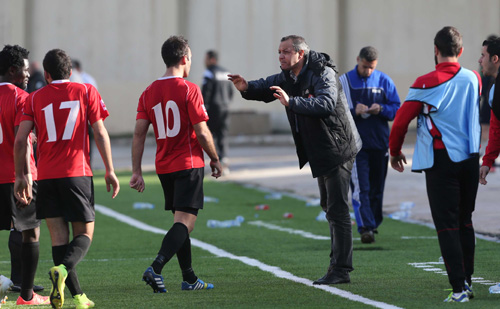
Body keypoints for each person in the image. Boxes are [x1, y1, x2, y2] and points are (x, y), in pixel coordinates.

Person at [228, 35, 360, 285]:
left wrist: (292, 102)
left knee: (337, 209)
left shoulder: (322, 72)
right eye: (279, 51)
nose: (281, 56)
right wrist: (246, 88)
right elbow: (268, 85)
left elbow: (326, 103)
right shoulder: (289, 75)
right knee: (328, 207)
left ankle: (341, 270)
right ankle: (337, 264)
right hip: (321, 150)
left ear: (300, 53)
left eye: (286, 52)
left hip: (338, 147)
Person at [13, 48, 120, 309]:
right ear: (70, 72)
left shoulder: (34, 98)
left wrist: (22, 175)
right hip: (77, 173)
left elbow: (20, 141)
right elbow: (100, 133)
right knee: (84, 234)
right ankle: (63, 270)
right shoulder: (85, 91)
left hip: (46, 177)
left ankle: (78, 297)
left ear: (47, 75)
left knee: (59, 238)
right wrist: (110, 169)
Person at [389, 26, 481, 303]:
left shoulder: (426, 81)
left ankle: (458, 289)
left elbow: (401, 122)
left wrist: (394, 152)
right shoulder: (473, 78)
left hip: (442, 161)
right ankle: (467, 280)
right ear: (461, 51)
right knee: (465, 221)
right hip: (471, 158)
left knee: (447, 225)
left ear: (435, 51)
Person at [130, 36, 222, 294]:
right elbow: (202, 132)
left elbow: (138, 134)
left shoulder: (148, 92)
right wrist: (214, 158)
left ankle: (189, 279)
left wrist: (136, 171)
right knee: (185, 223)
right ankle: (156, 268)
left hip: (164, 166)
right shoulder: (188, 89)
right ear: (184, 59)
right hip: (188, 163)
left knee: (179, 220)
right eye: (190, 58)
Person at [0, 44, 49, 305]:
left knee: (14, 229)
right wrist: (27, 175)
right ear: (12, 71)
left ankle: (17, 281)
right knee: (29, 231)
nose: (29, 74)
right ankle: (27, 295)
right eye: (25, 70)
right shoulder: (21, 98)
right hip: (15, 175)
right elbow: (24, 140)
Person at [339, 46, 400, 243]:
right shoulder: (345, 82)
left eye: (372, 68)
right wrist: (352, 110)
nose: (368, 71)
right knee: (361, 188)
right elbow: (334, 111)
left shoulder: (384, 81)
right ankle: (365, 227)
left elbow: (396, 109)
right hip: (356, 146)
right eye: (365, 67)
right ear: (358, 60)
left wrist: (380, 109)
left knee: (377, 188)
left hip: (380, 143)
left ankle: (373, 224)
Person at [202, 50, 233, 167]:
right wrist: (227, 103)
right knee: (223, 134)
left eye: (206, 59)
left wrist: (204, 106)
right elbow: (231, 91)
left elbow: (206, 91)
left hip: (213, 108)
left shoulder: (209, 73)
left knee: (210, 134)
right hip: (225, 108)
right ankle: (224, 158)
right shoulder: (226, 72)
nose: (204, 62)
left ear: (212, 59)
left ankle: (215, 160)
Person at [479, 37, 500, 181]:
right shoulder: (494, 90)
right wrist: (487, 161)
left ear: (495, 59)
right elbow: (496, 128)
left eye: (483, 55)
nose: (480, 61)